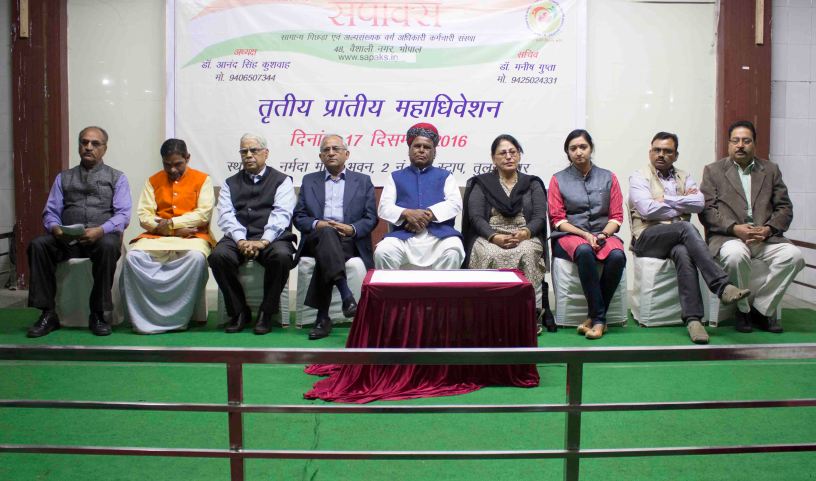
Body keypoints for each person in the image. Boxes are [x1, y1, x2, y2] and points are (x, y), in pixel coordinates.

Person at [629, 132, 750, 344]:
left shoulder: (684, 176)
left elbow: (698, 204)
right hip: (647, 238)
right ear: (650, 152)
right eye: (657, 150)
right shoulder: (639, 177)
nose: (661, 154)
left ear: (676, 155)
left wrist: (665, 199)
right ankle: (721, 285)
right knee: (685, 227)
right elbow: (647, 210)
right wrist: (681, 203)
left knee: (683, 252)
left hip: (676, 239)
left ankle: (694, 320)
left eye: (667, 151)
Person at [699, 120, 804, 333]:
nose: (740, 145)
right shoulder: (713, 171)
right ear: (729, 144)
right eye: (735, 141)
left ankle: (762, 310)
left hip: (765, 238)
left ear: (754, 144)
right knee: (735, 256)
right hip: (730, 237)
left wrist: (768, 229)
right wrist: (734, 228)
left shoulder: (771, 170)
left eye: (746, 141)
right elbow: (707, 210)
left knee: (795, 257)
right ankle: (743, 311)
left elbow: (784, 208)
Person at [26, 126, 132, 337]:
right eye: (84, 142)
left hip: (100, 239)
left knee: (109, 246)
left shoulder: (117, 177)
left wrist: (101, 230)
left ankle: (98, 314)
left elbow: (123, 215)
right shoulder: (63, 177)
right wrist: (55, 228)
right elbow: (50, 212)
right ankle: (48, 313)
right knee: (38, 245)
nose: (88, 147)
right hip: (67, 240)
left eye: (95, 144)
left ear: (104, 148)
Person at [462, 134, 554, 332]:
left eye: (513, 152)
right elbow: (475, 217)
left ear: (519, 155)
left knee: (528, 252)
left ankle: (529, 315)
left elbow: (539, 216)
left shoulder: (532, 183)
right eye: (502, 153)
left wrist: (525, 233)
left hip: (525, 235)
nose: (508, 156)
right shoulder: (482, 183)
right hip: (490, 235)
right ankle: (486, 316)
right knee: (488, 253)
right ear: (493, 158)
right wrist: (494, 237)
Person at [121, 138, 215, 334]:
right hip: (157, 237)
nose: (172, 170)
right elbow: (144, 216)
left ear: (187, 158)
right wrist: (172, 231)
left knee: (196, 258)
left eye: (178, 164)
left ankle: (179, 317)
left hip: (193, 237)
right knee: (133, 258)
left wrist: (171, 224)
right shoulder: (153, 181)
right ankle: (143, 317)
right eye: (167, 165)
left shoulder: (202, 179)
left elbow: (203, 214)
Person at [208, 133, 297, 334]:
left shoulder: (282, 181)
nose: (248, 155)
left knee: (282, 256)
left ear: (266, 153)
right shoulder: (229, 183)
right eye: (244, 151)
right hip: (238, 237)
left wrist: (263, 241)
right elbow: (226, 216)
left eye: (253, 150)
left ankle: (267, 312)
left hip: (272, 237)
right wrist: (241, 240)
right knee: (218, 257)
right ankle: (239, 311)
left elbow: (282, 215)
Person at [293, 134, 377, 340]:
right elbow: (299, 217)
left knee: (328, 253)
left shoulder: (363, 181)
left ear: (346, 154)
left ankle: (323, 318)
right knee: (327, 233)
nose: (330, 153)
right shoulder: (309, 180)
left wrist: (351, 229)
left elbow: (371, 218)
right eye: (326, 150)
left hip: (348, 240)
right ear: (320, 156)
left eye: (335, 149)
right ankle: (346, 294)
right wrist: (318, 224)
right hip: (316, 238)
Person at [548, 129, 626, 340]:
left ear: (591, 149)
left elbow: (616, 216)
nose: (578, 152)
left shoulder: (609, 177)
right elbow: (558, 220)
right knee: (584, 251)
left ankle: (593, 317)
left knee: (618, 256)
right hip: (569, 236)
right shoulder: (558, 180)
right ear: (567, 152)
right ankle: (600, 320)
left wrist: (603, 235)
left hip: (603, 234)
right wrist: (584, 235)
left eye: (583, 147)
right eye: (573, 148)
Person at [374, 122, 465, 270]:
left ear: (434, 153)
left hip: (439, 237)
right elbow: (384, 207)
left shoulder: (445, 176)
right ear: (409, 150)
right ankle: (392, 287)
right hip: (404, 236)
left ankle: (440, 287)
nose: (421, 150)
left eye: (427, 147)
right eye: (417, 146)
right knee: (383, 252)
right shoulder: (395, 177)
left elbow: (455, 203)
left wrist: (427, 215)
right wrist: (407, 213)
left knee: (453, 250)